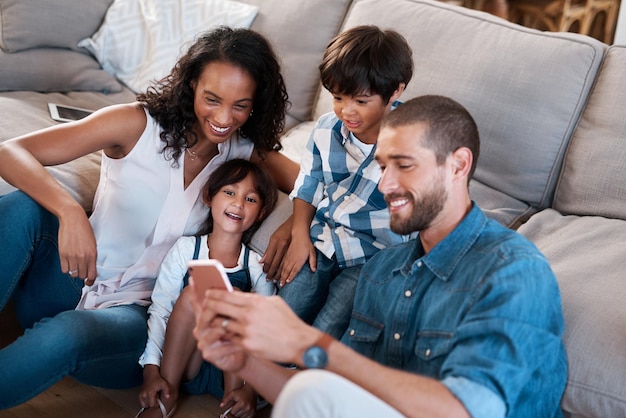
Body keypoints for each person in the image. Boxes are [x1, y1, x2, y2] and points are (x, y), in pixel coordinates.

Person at [190, 95, 567, 418]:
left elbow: (467, 410)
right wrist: (243, 362)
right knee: (308, 392)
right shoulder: (382, 271)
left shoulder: (513, 271)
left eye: (403, 165)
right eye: (382, 166)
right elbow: (334, 391)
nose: (385, 185)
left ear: (458, 165)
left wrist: (307, 343)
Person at [0, 26, 298, 409]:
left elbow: (312, 185)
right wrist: (69, 211)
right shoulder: (134, 124)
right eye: (212, 99)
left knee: (69, 333)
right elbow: (11, 151)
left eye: (240, 105)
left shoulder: (243, 154)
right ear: (191, 84)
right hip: (69, 277)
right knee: (22, 208)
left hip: (131, 324)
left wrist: (298, 224)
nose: (224, 118)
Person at [277, 25, 414, 339]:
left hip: (374, 256)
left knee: (328, 327)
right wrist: (299, 235)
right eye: (338, 97)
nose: (346, 111)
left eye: (361, 101)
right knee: (285, 311)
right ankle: (252, 379)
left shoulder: (412, 143)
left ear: (395, 91)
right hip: (324, 238)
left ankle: (298, 383)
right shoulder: (327, 129)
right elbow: (310, 181)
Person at [136, 159, 277, 418]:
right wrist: (151, 371)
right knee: (193, 294)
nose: (238, 203)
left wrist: (252, 389)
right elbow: (161, 310)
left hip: (234, 372)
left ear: (261, 212)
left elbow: (265, 334)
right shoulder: (186, 250)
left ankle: (235, 402)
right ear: (209, 196)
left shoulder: (256, 265)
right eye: (230, 192)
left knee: (236, 303)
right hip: (188, 363)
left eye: (251, 199)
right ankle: (167, 396)